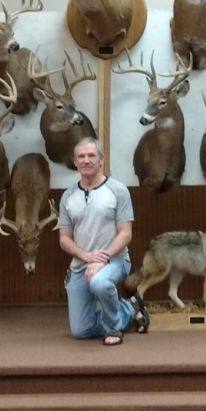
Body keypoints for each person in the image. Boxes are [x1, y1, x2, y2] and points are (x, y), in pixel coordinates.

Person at [57, 137, 148, 346]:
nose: (86, 160)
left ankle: (113, 328)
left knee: (100, 282)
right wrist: (87, 257)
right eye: (81, 156)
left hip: (115, 261)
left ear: (101, 160)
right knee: (81, 331)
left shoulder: (118, 190)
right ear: (75, 161)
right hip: (80, 265)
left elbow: (126, 234)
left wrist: (102, 259)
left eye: (91, 156)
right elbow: (64, 239)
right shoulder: (68, 196)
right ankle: (129, 309)